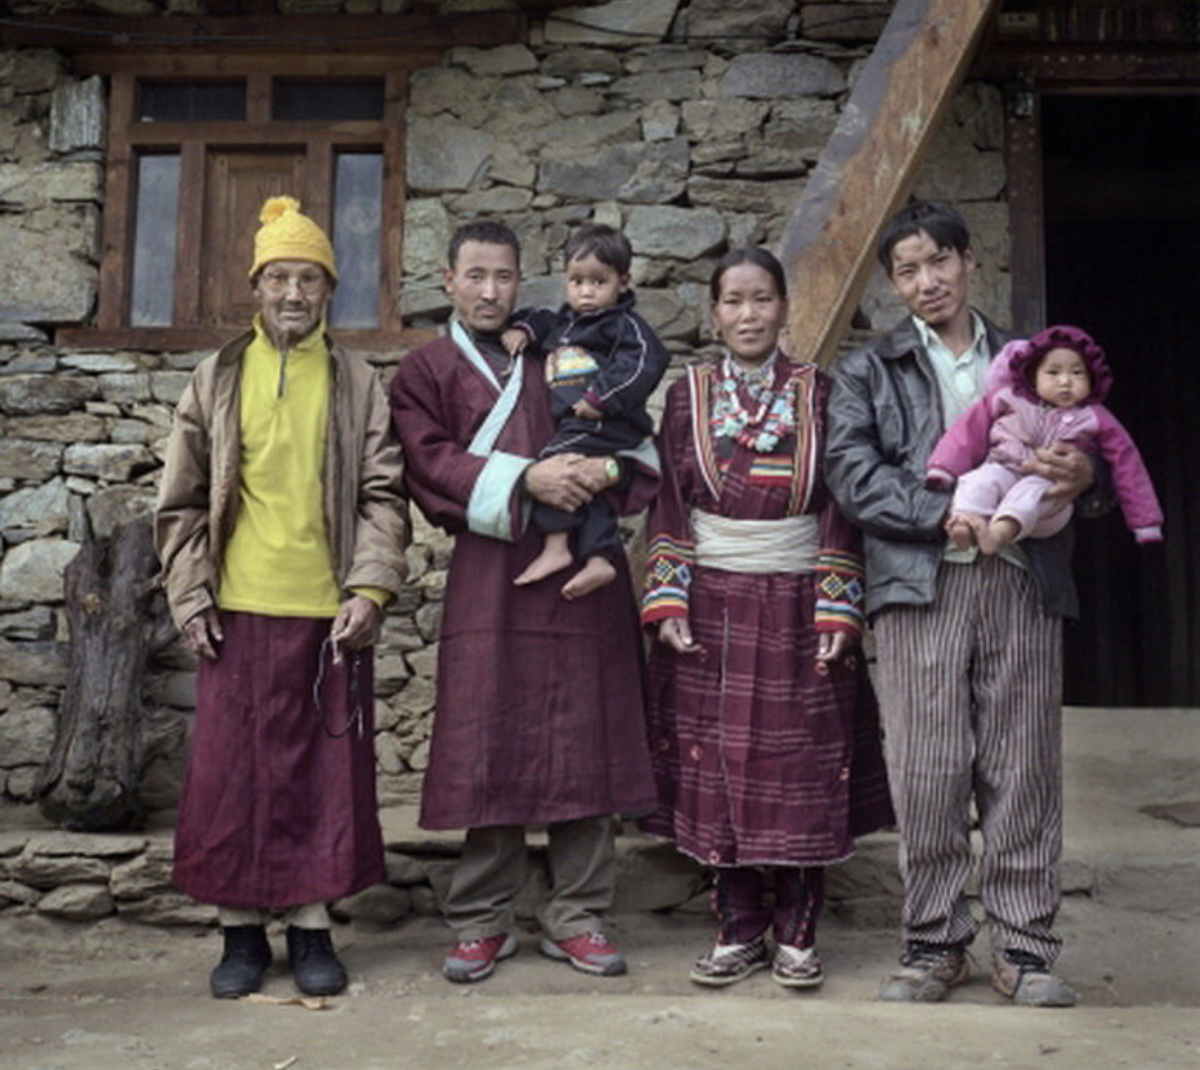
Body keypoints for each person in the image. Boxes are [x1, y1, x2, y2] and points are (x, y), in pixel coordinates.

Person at [825, 200, 1105, 1008]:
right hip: (920, 581)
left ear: (968, 259)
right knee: (928, 767)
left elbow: (1096, 449)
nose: (926, 281)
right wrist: (936, 513)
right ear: (890, 283)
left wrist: (1084, 483)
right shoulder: (870, 370)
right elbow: (852, 469)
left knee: (1023, 764)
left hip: (1022, 576)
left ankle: (1023, 948)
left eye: (938, 262)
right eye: (906, 271)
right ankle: (934, 943)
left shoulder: (1036, 358)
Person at [388, 219, 659, 984]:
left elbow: (634, 436)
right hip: (492, 572)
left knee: (587, 734)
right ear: (448, 281)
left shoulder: (568, 350)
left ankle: (578, 913)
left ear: (521, 282)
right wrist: (526, 481)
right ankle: (482, 919)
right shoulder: (425, 370)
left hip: (582, 568)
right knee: (489, 737)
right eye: (474, 276)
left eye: (503, 277)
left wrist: (591, 478)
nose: (488, 291)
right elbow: (428, 464)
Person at [155, 196, 409, 1000]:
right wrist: (192, 598)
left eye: (310, 278)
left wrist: (369, 587)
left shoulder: (358, 380)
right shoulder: (218, 377)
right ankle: (239, 934)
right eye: (279, 277)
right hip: (234, 613)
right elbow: (181, 503)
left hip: (327, 616)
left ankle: (309, 929)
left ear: (329, 291)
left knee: (320, 778)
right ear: (256, 286)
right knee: (231, 776)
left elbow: (383, 494)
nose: (294, 293)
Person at [641, 248, 893, 990]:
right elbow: (667, 503)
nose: (747, 315)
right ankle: (737, 926)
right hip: (711, 604)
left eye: (761, 300)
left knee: (803, 763)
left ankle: (798, 929)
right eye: (733, 301)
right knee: (716, 765)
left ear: (785, 307)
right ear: (713, 312)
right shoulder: (687, 395)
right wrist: (667, 597)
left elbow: (841, 501)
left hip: (800, 600)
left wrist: (838, 605)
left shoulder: (821, 391)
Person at [500, 224, 670, 599]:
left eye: (598, 281)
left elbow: (646, 363)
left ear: (623, 282)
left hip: (607, 423)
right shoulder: (564, 324)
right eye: (577, 282)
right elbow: (539, 319)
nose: (586, 292)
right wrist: (524, 330)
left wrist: (601, 399)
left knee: (554, 464)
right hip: (581, 425)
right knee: (586, 487)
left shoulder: (624, 326)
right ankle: (600, 558)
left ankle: (557, 546)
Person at [927, 323, 1162, 553]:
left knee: (1029, 493)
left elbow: (1127, 463)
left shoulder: (1095, 417)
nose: (1065, 381)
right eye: (1053, 372)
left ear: (1092, 378)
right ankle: (964, 525)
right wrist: (943, 468)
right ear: (1032, 375)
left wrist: (1145, 522)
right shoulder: (1007, 398)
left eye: (1077, 372)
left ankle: (996, 535)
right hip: (1003, 466)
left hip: (1050, 495)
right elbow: (968, 430)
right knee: (978, 481)